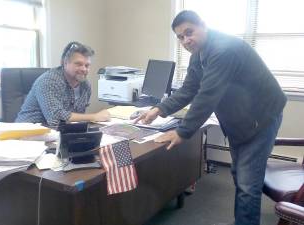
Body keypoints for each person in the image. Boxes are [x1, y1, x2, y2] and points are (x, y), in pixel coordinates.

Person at [135, 10, 286, 225]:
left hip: (261, 119)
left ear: (203, 25)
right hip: (240, 121)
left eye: (189, 32)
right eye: (180, 37)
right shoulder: (199, 53)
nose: (186, 40)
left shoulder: (223, 50)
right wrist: (158, 110)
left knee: (247, 184)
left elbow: (207, 95)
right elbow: (189, 89)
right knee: (240, 176)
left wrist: (182, 132)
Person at [16, 41, 110, 127]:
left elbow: (77, 118)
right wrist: (93, 117)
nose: (84, 69)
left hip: (59, 134)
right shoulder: (49, 81)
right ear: (65, 63)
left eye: (87, 65)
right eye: (78, 64)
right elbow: (55, 118)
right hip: (28, 133)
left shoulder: (85, 86)